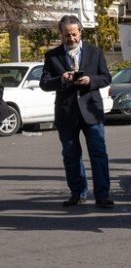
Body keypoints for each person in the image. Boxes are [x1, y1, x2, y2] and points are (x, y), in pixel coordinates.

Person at [40, 15, 113, 208]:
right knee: (71, 155)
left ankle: (102, 195)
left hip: (92, 111)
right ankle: (78, 193)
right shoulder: (52, 56)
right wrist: (62, 79)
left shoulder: (95, 52)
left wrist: (90, 81)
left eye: (74, 34)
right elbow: (44, 83)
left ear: (80, 31)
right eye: (67, 35)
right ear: (61, 34)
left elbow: (106, 77)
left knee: (98, 153)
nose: (71, 38)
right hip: (66, 113)